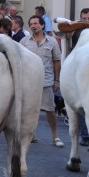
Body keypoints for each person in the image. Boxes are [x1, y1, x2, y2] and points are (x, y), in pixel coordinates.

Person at [21, 15, 64, 147]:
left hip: (46, 81)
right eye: (31, 24)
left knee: (50, 109)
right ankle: (31, 134)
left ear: (42, 25)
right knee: (28, 109)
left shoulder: (52, 42)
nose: (33, 26)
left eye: (36, 23)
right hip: (28, 82)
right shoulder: (24, 41)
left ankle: (55, 136)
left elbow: (57, 61)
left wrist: (57, 80)